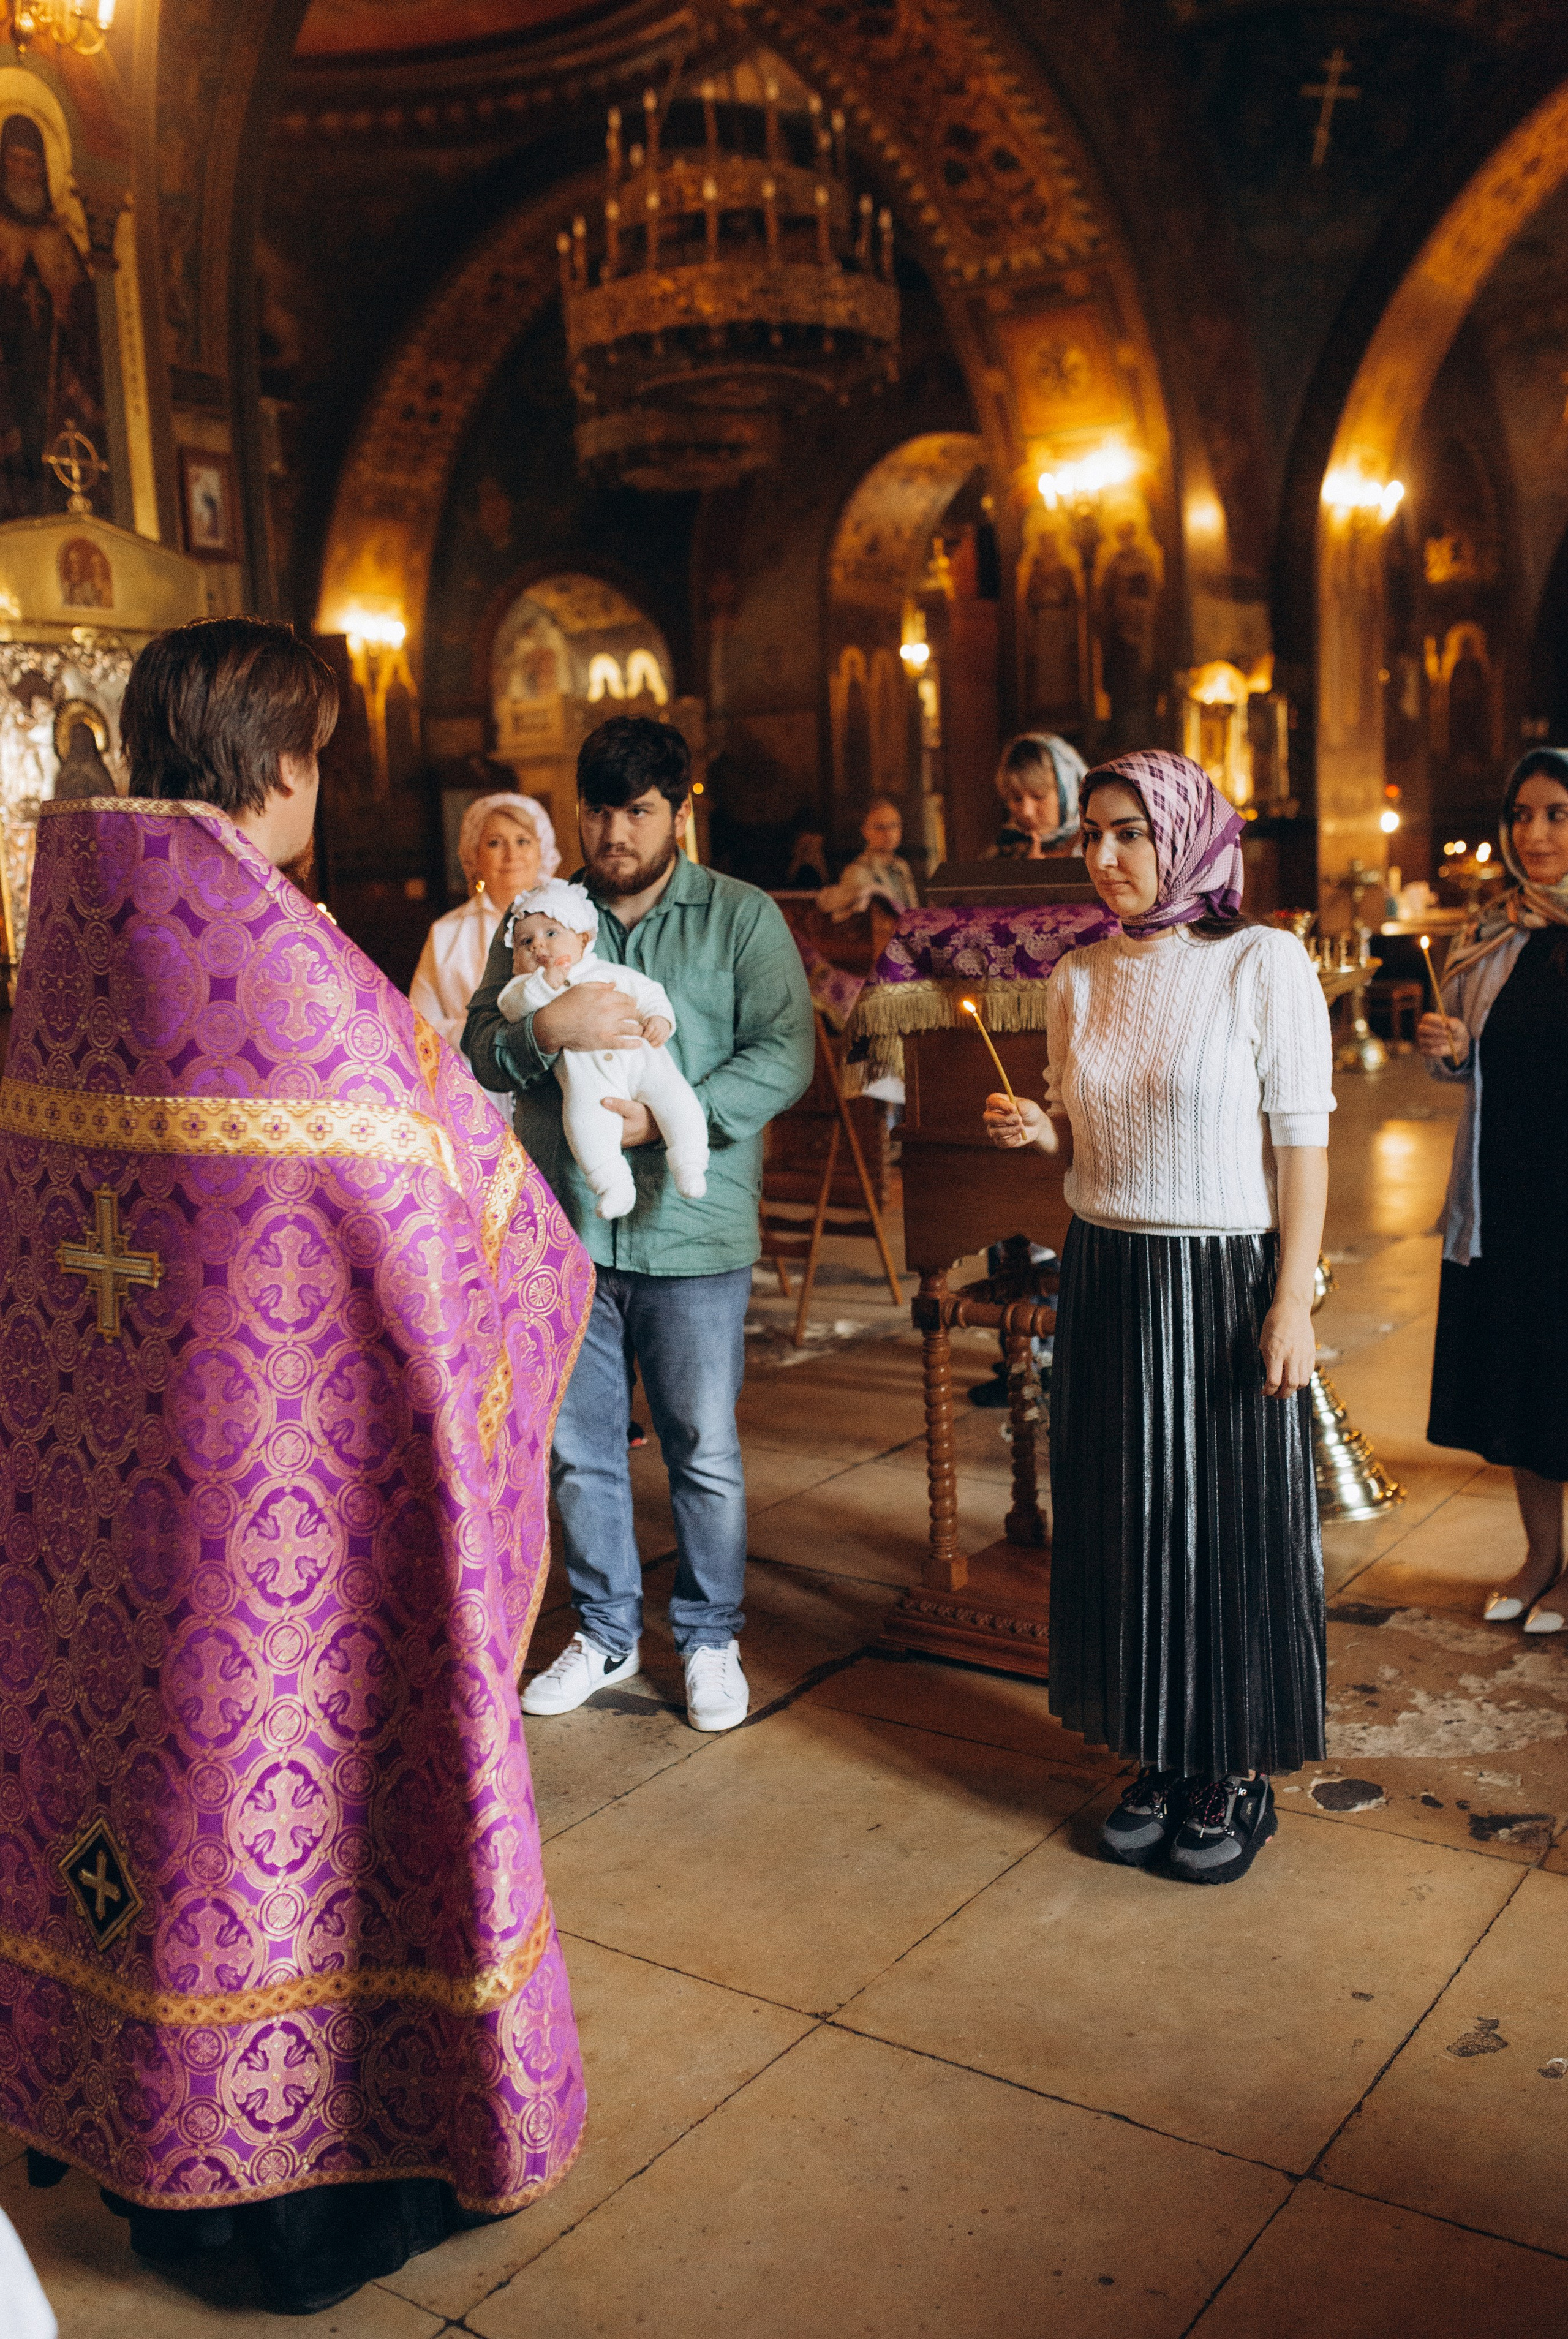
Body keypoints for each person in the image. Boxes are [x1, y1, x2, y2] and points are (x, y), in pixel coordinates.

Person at [0, 618, 590, 2312]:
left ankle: (144, 2137)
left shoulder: (91, 938)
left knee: (155, 1814)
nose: (318, 783)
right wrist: (525, 1227)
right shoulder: (278, 962)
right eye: (316, 752)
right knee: (294, 1822)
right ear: (271, 761)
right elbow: (431, 1201)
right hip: (292, 1529)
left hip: (111, 1510)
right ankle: (298, 2181)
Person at [984, 748, 1332, 1885]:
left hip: (1224, 1274)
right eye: (1092, 834)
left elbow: (1302, 1142)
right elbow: (1090, 1144)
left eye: (1130, 831)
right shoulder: (1079, 976)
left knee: (1222, 1524)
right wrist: (1042, 1139)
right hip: (1110, 1271)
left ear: (1184, 834)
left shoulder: (1262, 963)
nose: (1106, 855)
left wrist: (1292, 1297)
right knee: (1128, 1519)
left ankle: (1232, 1769)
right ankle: (1159, 1754)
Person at [466, 714, 815, 1732]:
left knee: (702, 1445)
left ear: (680, 810)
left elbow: (785, 1051)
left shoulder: (741, 917)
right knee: (579, 1447)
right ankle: (608, 1631)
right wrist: (545, 1026)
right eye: (600, 809)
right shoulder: (540, 914)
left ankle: (710, 1636)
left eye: (640, 810)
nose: (615, 831)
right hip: (569, 1222)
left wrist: (665, 1114)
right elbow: (483, 1044)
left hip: (691, 1230)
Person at [1422, 747, 1568, 1633]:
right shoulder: (1494, 930)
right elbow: (1472, 1065)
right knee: (1526, 1374)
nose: (1536, 832)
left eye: (1557, 813)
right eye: (1522, 814)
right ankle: (1541, 1554)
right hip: (1508, 1188)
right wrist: (1453, 1052)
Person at [497, 876, 709, 1216]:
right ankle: (612, 1185)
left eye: (552, 934)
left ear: (583, 938)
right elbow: (512, 1007)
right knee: (584, 1122)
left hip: (644, 1060)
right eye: (526, 942)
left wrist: (660, 1019)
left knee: (678, 1100)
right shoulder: (525, 989)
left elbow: (651, 993)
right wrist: (541, 986)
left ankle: (690, 1162)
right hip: (589, 1079)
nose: (539, 946)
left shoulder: (609, 972)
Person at [409, 785, 559, 1112]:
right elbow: (418, 1025)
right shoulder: (446, 933)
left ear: (542, 850)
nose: (512, 854)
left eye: (523, 841)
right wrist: (484, 1035)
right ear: (474, 855)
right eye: (495, 843)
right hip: (472, 1099)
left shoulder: (570, 924)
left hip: (556, 1095)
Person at [816, 794, 919, 919]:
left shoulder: (902, 866)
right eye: (880, 828)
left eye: (894, 825)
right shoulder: (856, 872)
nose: (889, 833)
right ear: (865, 831)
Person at [989, 731, 1086, 858]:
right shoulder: (1001, 855)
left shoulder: (1103, 851)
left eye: (1038, 796)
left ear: (1071, 791)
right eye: (1017, 799)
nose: (1027, 812)